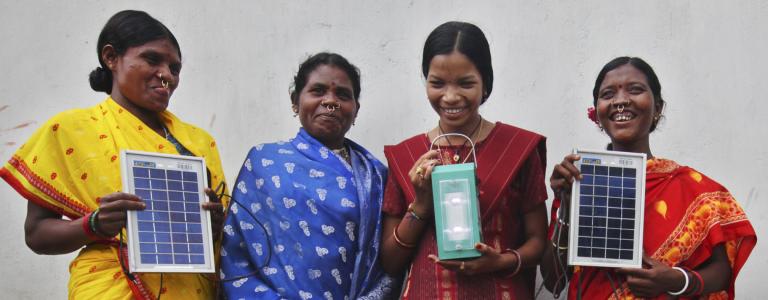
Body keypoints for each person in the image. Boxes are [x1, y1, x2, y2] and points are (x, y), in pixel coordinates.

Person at [0, 10, 227, 299]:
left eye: (175, 68)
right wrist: (92, 224)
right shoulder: (72, 130)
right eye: (152, 59)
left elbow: (219, 239)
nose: (167, 75)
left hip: (191, 289)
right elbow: (36, 234)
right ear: (110, 57)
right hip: (110, 286)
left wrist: (214, 226)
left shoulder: (198, 142)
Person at [541, 57, 757, 299]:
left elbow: (721, 272)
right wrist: (567, 208)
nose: (621, 101)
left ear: (658, 108)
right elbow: (552, 281)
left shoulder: (690, 187)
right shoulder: (579, 181)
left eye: (635, 90)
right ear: (597, 113)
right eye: (608, 94)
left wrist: (677, 280)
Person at [379, 21, 549, 299]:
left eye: (465, 83)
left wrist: (501, 261)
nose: (450, 96)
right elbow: (391, 262)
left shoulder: (518, 149)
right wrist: (421, 204)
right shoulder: (407, 157)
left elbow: (538, 243)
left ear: (485, 84)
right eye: (437, 83)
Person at [220, 52, 397, 299]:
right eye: (318, 91)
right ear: (295, 101)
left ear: (356, 110)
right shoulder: (264, 163)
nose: (331, 101)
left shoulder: (376, 176)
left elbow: (390, 263)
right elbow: (236, 254)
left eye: (343, 95)